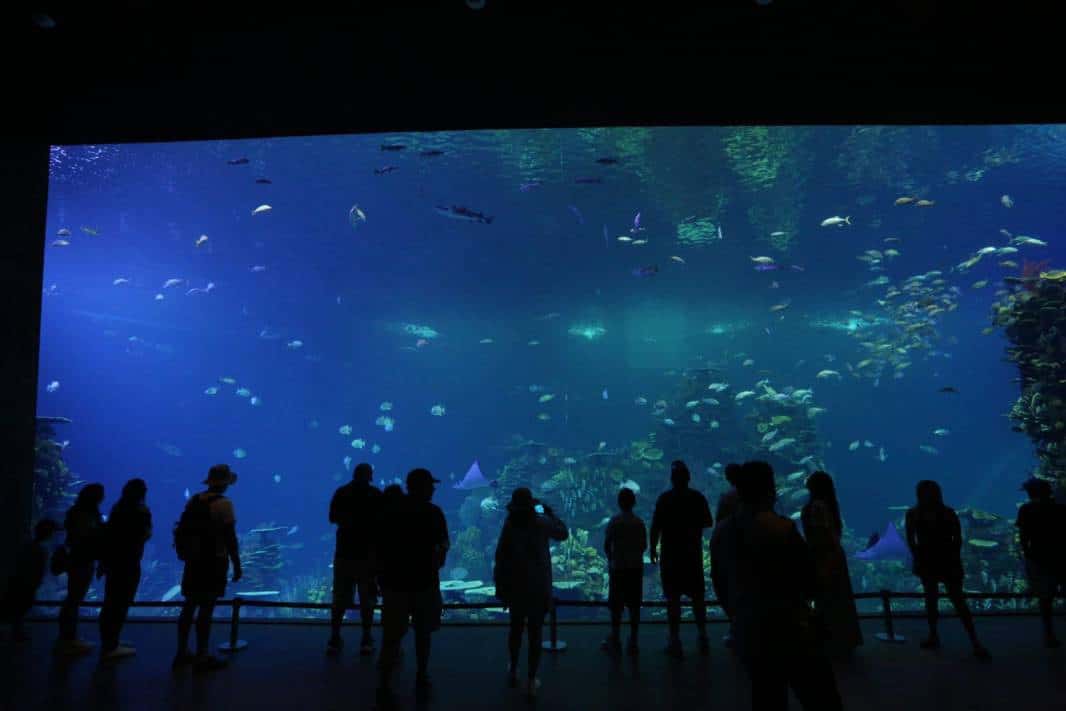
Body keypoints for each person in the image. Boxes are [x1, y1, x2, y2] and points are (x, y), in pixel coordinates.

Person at [710, 461, 843, 711]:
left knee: (767, 697)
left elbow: (719, 582)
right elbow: (810, 582)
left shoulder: (722, 532)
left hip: (749, 628)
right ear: (769, 489)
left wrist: (737, 615)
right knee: (821, 697)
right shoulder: (781, 528)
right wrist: (828, 560)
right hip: (791, 627)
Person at [375, 468, 450, 708]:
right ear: (423, 486)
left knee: (391, 636)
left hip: (394, 583)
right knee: (423, 632)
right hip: (424, 582)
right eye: (431, 485)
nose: (434, 489)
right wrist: (438, 560)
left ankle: (385, 682)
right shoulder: (434, 512)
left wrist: (380, 578)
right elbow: (443, 545)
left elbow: (379, 546)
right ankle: (422, 673)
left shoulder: (391, 511)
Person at [494, 487, 568, 697]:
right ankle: (531, 679)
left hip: (516, 587)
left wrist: (500, 586)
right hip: (538, 588)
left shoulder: (509, 525)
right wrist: (549, 512)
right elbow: (563, 533)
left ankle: (513, 669)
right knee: (536, 634)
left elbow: (500, 557)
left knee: (515, 629)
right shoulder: (541, 522)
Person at [905, 479, 989, 658]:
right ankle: (936, 635)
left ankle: (974, 641)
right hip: (935, 561)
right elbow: (912, 540)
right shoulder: (940, 513)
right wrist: (920, 558)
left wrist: (920, 556)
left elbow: (956, 539)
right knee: (933, 600)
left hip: (941, 561)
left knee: (956, 600)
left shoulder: (934, 513)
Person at [173, 464, 242, 672]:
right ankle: (202, 655)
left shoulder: (194, 499)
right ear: (226, 484)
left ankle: (182, 652)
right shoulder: (224, 504)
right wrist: (237, 564)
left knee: (189, 605)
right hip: (214, 560)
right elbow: (230, 537)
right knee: (206, 607)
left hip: (193, 561)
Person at [650, 459, 713, 657]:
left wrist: (652, 548)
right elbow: (708, 522)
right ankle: (703, 636)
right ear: (688, 479)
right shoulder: (697, 497)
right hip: (692, 555)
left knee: (673, 599)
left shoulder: (664, 499)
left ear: (672, 480)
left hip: (671, 556)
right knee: (698, 598)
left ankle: (675, 639)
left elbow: (655, 526)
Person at [800, 471, 863, 658]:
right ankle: (843, 638)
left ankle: (830, 639)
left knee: (827, 597)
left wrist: (820, 557)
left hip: (824, 555)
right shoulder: (829, 505)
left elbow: (822, 534)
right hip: (833, 554)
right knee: (838, 597)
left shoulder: (817, 506)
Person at [327, 462, 381, 656]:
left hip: (344, 554)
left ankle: (334, 637)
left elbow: (332, 518)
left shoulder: (341, 492)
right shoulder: (375, 495)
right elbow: (383, 523)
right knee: (368, 599)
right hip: (368, 555)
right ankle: (366, 637)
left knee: (340, 598)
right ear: (370, 476)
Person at [98, 478, 152, 661]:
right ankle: (111, 646)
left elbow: (108, 536)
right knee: (121, 603)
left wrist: (103, 562)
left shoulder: (116, 509)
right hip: (129, 561)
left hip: (113, 561)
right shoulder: (141, 510)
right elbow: (146, 534)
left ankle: (108, 642)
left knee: (110, 601)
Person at [1016, 476, 1066, 648]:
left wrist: (1027, 554)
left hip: (1038, 558)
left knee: (1045, 599)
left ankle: (1049, 634)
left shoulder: (1026, 510)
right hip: (1060, 556)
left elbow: (1024, 536)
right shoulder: (1060, 508)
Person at [56, 483, 105, 655]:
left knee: (73, 598)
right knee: (74, 599)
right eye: (101, 494)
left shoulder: (76, 511)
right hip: (82, 561)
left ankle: (67, 637)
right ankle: (68, 640)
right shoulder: (87, 515)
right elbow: (89, 537)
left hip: (79, 560)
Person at [601, 486, 646, 656]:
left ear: (619, 503)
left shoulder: (614, 521)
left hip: (618, 568)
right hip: (635, 568)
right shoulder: (639, 522)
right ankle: (633, 641)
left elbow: (607, 544)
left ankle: (615, 638)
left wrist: (611, 559)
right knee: (634, 606)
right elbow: (644, 546)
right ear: (634, 502)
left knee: (616, 606)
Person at [2, 519, 59, 641]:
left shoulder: (30, 546)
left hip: (23, 581)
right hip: (26, 583)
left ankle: (17, 629)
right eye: (53, 532)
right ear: (49, 533)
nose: (54, 535)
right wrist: (35, 581)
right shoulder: (39, 549)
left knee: (20, 606)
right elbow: (35, 569)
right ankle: (17, 631)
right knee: (21, 606)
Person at [713, 462, 742, 647]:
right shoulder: (754, 496)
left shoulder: (727, 497)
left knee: (729, 589)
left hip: (730, 549)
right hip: (748, 548)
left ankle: (735, 628)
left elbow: (719, 522)